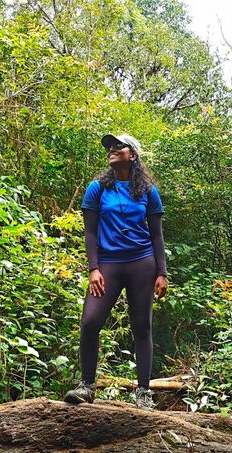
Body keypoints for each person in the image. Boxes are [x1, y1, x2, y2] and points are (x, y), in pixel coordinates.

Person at [64, 133, 168, 411]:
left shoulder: (147, 191)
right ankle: (87, 386)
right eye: (110, 146)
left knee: (142, 327)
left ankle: (144, 392)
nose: (112, 149)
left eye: (118, 146)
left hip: (141, 263)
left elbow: (157, 236)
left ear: (132, 155)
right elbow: (90, 232)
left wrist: (162, 273)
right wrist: (93, 268)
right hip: (108, 264)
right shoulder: (97, 188)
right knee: (90, 322)